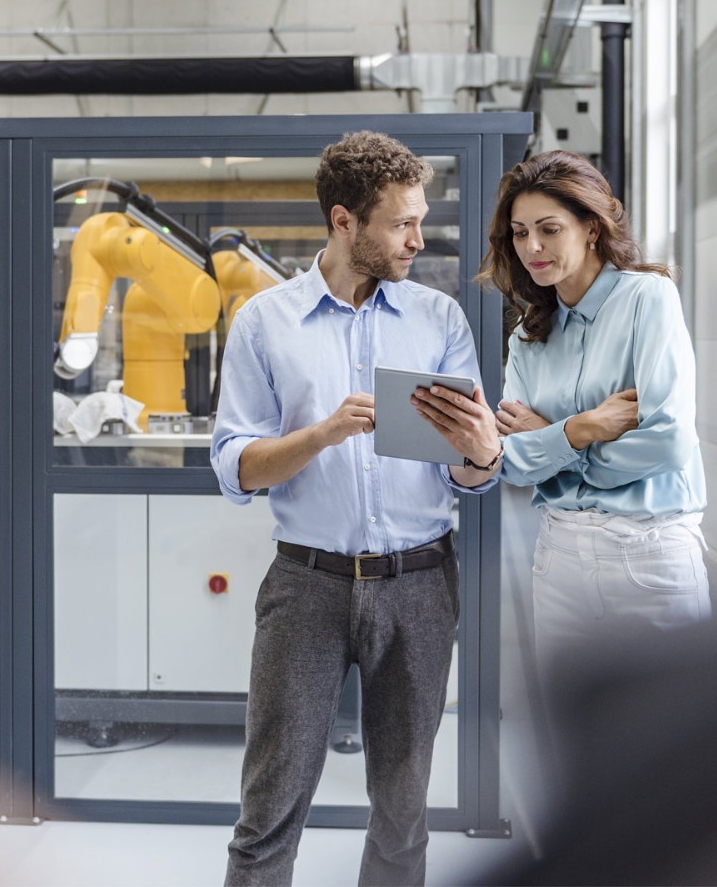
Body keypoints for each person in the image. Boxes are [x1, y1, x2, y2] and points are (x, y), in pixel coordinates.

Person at [211, 130, 503, 887]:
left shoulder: (438, 320)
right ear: (345, 221)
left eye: (421, 218)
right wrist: (323, 433)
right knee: (271, 803)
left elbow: (468, 479)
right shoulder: (263, 323)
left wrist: (482, 453)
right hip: (307, 586)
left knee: (403, 811)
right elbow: (235, 466)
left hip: (420, 583)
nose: (418, 237)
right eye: (402, 222)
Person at [480, 149, 711, 683]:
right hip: (558, 558)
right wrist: (581, 429)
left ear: (590, 227)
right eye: (518, 233)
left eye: (548, 229)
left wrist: (556, 446)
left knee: (678, 748)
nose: (532, 247)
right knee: (578, 755)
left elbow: (669, 442)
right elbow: (509, 462)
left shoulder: (648, 299)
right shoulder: (529, 335)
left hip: (650, 558)